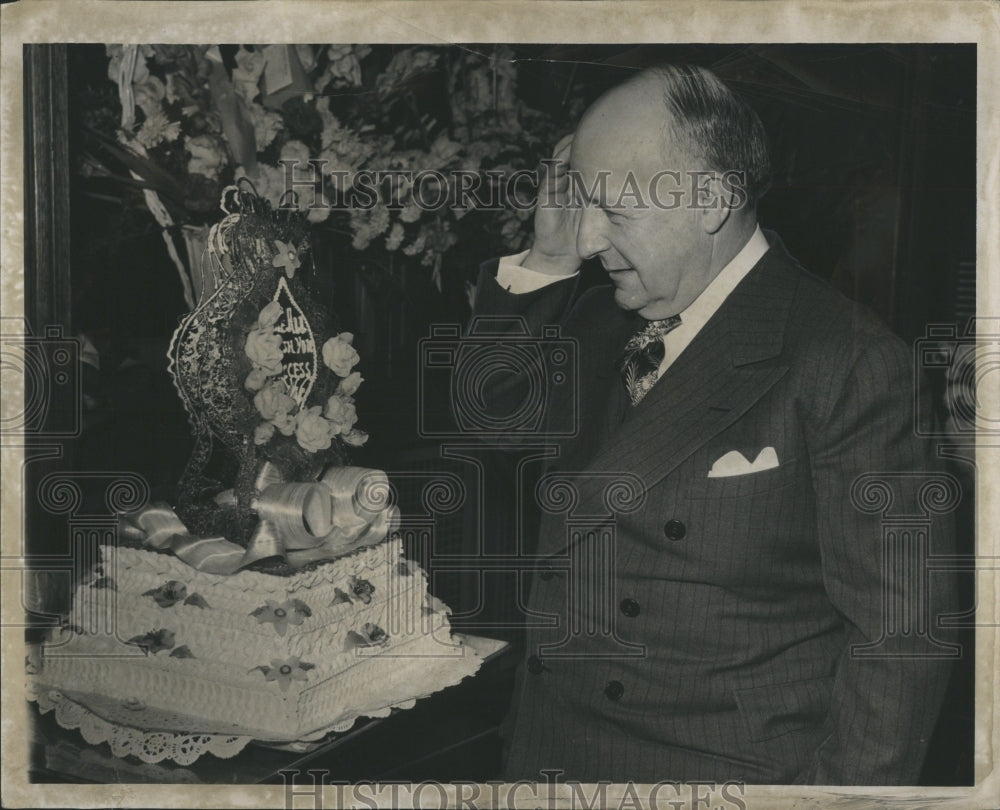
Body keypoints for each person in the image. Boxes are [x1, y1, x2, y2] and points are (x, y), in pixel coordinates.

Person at [470, 64, 957, 784]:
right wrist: (545, 256)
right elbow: (493, 429)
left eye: (614, 208)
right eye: (581, 202)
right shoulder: (600, 315)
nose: (590, 238)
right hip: (548, 752)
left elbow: (900, 640)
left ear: (714, 199)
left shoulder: (849, 362)